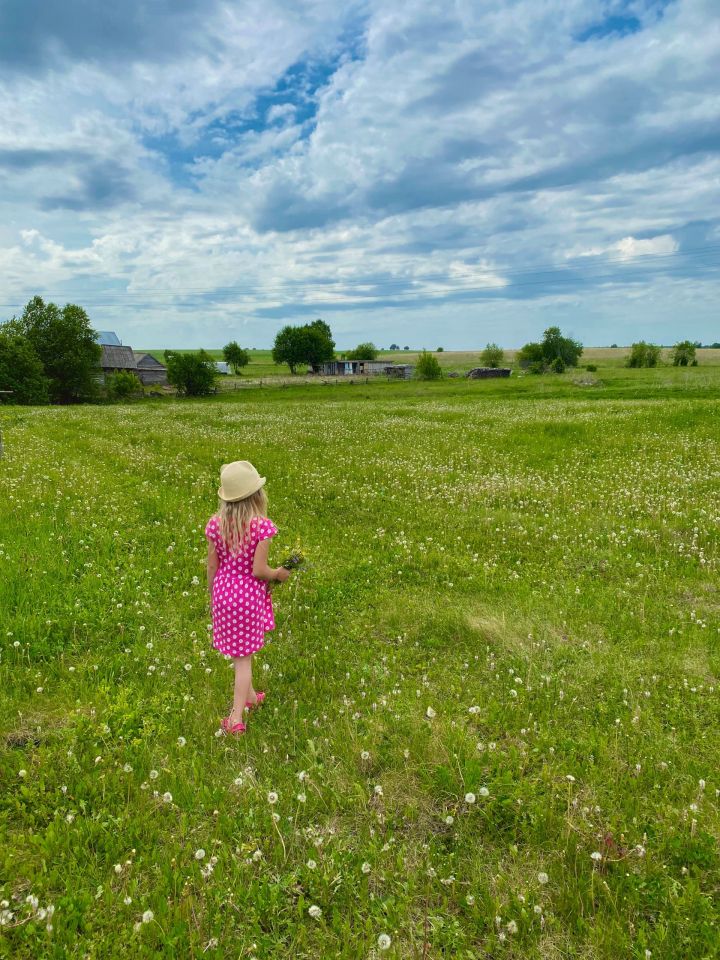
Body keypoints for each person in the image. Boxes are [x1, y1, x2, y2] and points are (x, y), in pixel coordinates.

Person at [205, 460, 291, 734]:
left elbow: (211, 566)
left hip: (223, 594)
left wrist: (213, 596)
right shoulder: (261, 528)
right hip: (247, 598)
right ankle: (235, 717)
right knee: (244, 661)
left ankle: (251, 697)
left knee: (240, 651)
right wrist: (278, 574)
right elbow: (258, 570)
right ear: (256, 495)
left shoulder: (216, 525)